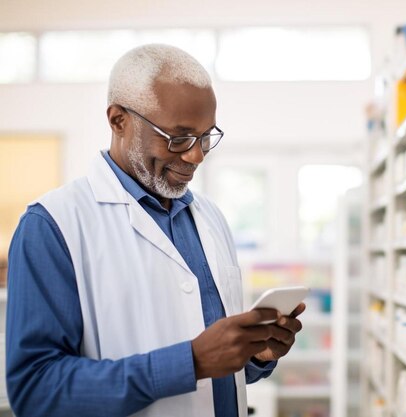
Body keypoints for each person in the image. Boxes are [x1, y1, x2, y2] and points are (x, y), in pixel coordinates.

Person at [6, 44, 305, 417]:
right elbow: (35, 390)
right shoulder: (53, 225)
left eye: (206, 137)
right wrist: (189, 362)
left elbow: (218, 370)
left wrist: (255, 354)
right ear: (118, 121)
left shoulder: (209, 217)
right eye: (179, 138)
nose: (195, 156)